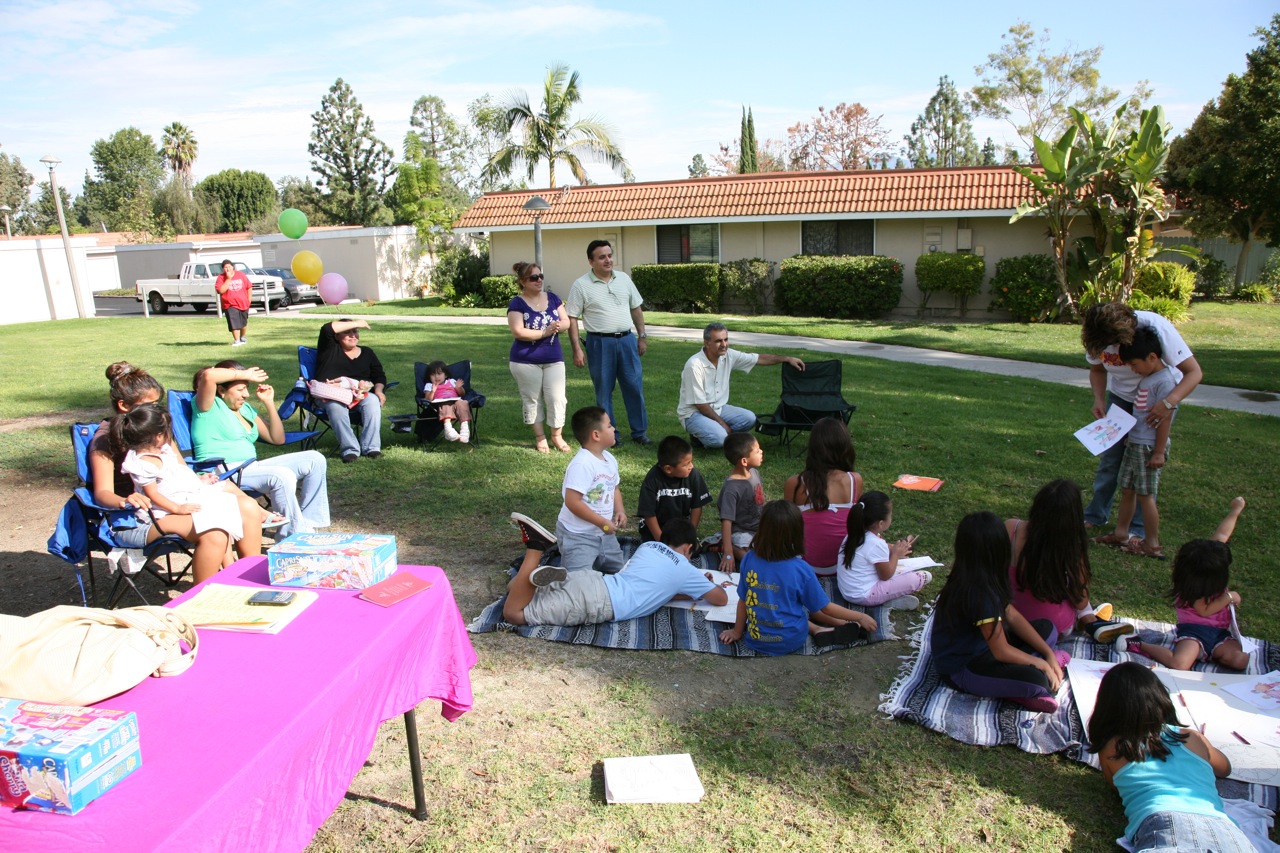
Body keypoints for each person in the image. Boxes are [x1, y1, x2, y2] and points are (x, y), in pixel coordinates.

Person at [89, 362, 264, 584]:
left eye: (157, 404)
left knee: (247, 506)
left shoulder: (156, 431)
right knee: (214, 532)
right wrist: (125, 500)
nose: (157, 410)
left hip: (176, 500)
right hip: (136, 517)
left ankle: (251, 578)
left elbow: (179, 469)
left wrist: (197, 479)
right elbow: (102, 493)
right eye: (150, 404)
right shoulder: (105, 440)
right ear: (124, 406)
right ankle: (204, 595)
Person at [1088, 662, 1252, 853]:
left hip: (1164, 821)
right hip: (1225, 828)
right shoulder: (1193, 737)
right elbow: (1225, 768)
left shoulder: (1111, 749)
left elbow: (1119, 789)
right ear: (1160, 698)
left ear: (1107, 709)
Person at [1081, 302, 1202, 540]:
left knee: (1145, 463)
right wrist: (1099, 398)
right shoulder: (1097, 337)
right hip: (1121, 398)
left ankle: (1138, 528)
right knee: (1110, 459)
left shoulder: (1155, 326)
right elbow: (1097, 370)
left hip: (1157, 399)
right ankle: (1096, 514)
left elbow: (1194, 372)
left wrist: (1168, 403)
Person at [930, 511, 1065, 714]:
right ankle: (1017, 689)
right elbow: (1001, 651)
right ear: (999, 550)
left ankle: (1022, 676)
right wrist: (1041, 664)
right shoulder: (978, 593)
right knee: (1038, 681)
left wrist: (1048, 654)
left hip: (988, 648)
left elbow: (1012, 615)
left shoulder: (985, 576)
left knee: (1048, 629)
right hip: (964, 668)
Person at [112, 405, 271, 572]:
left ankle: (248, 569)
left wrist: (199, 481)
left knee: (245, 505)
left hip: (186, 497)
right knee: (218, 519)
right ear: (158, 436)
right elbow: (153, 494)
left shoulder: (163, 450)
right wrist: (177, 509)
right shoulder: (143, 463)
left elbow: (177, 475)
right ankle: (229, 569)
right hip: (165, 510)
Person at [191, 361, 330, 539]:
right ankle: (292, 537)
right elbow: (208, 375)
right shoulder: (206, 407)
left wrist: (269, 403)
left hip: (250, 467)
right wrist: (245, 374)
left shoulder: (245, 409)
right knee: (281, 475)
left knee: (315, 459)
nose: (246, 394)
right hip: (223, 472)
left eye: (246, 388)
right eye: (240, 389)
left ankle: (308, 525)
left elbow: (277, 438)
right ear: (221, 390)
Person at [718, 501, 878, 654]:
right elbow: (826, 607)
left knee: (789, 605)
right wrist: (860, 616)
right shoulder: (802, 570)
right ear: (797, 532)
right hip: (791, 640)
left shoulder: (749, 559)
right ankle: (840, 625)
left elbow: (743, 600)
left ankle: (820, 629)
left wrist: (737, 631)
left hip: (756, 638)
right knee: (808, 607)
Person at [502, 519, 727, 627]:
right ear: (688, 549)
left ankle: (537, 576)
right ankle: (536, 547)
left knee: (514, 588)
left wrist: (690, 590)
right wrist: (704, 584)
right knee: (514, 614)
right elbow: (721, 599)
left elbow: (658, 589)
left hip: (592, 580)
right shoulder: (686, 569)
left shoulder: (648, 546)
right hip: (596, 602)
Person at [1118, 497, 1250, 671]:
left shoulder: (1207, 563)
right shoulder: (1194, 591)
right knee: (1180, 664)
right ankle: (1139, 644)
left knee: (1240, 660)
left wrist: (1235, 510)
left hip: (1220, 634)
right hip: (1194, 633)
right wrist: (1230, 596)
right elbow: (1205, 611)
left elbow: (1222, 535)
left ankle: (1216, 654)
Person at [1008, 479, 1133, 644]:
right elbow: (1078, 598)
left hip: (1009, 620)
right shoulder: (1072, 547)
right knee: (1075, 593)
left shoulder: (1011, 528)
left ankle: (1090, 617)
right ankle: (1090, 619)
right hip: (1052, 629)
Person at [1093, 328, 1179, 558]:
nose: (1133, 369)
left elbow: (1165, 421)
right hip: (1134, 443)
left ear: (1152, 357)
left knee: (1145, 495)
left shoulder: (1165, 382)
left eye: (1134, 364)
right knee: (1127, 489)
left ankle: (1152, 544)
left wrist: (1159, 452)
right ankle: (1121, 533)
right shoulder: (1147, 378)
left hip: (1148, 447)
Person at [566, 240, 651, 447]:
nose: (608, 260)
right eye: (602, 257)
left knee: (634, 387)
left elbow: (636, 308)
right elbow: (572, 318)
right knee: (604, 392)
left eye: (610, 255)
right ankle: (611, 435)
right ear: (591, 261)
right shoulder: (581, 285)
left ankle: (640, 432)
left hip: (627, 341)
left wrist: (642, 336)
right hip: (599, 343)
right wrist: (576, 349)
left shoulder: (624, 279)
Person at [677, 322, 806, 448]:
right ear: (707, 343)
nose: (724, 345)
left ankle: (718, 432)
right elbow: (700, 404)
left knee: (750, 418)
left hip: (718, 408)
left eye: (726, 339)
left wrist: (786, 358)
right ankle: (699, 436)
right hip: (693, 413)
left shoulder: (729, 355)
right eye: (718, 341)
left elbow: (758, 358)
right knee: (719, 439)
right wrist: (723, 424)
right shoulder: (694, 365)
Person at [783, 417, 862, 573]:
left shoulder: (795, 483)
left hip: (804, 566)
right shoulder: (854, 480)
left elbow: (786, 528)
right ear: (845, 447)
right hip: (845, 565)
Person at [507, 261, 570, 453]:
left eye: (540, 276)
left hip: (554, 359)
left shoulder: (553, 298)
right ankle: (540, 438)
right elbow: (518, 331)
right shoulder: (517, 303)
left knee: (557, 398)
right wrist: (544, 332)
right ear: (523, 281)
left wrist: (559, 326)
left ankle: (557, 436)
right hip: (525, 361)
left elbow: (566, 321)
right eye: (533, 277)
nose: (539, 280)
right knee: (532, 399)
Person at [555, 406, 626, 574]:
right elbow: (572, 502)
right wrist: (601, 522)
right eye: (609, 425)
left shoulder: (609, 459)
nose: (614, 429)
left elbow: (614, 488)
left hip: (605, 534)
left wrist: (620, 510)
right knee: (577, 579)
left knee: (620, 573)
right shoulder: (582, 464)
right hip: (578, 536)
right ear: (596, 435)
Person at [836, 491, 931, 611]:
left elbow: (872, 551)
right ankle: (889, 601)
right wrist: (895, 555)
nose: (891, 517)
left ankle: (889, 597)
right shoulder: (876, 544)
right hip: (863, 595)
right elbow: (885, 576)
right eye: (890, 515)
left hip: (847, 591)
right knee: (923, 576)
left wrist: (894, 549)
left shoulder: (854, 534)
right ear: (881, 523)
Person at [315, 319, 387, 463]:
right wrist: (357, 323)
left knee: (372, 400)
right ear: (337, 336)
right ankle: (350, 450)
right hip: (331, 395)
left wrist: (379, 391)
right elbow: (327, 329)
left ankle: (371, 448)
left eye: (355, 331)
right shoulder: (329, 349)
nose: (353, 335)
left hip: (359, 394)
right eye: (347, 332)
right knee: (335, 407)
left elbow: (379, 376)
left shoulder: (367, 353)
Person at [637, 436, 712, 543]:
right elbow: (648, 513)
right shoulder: (652, 479)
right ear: (668, 469)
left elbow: (697, 506)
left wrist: (691, 534)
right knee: (654, 550)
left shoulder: (693, 474)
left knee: (687, 549)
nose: (691, 466)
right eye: (686, 464)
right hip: (654, 529)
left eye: (691, 462)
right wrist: (661, 541)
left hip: (680, 527)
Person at [717, 431, 765, 570]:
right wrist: (728, 553)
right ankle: (731, 547)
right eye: (757, 451)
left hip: (759, 527)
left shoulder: (754, 473)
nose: (761, 452)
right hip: (741, 531)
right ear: (744, 461)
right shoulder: (731, 488)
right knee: (747, 554)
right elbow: (726, 521)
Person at [423, 360, 472, 444]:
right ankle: (448, 430)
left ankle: (464, 430)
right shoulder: (429, 385)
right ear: (429, 376)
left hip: (456, 401)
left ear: (445, 375)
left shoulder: (452, 381)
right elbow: (428, 399)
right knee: (446, 405)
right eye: (433, 374)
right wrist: (433, 391)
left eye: (439, 374)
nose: (436, 377)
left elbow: (462, 394)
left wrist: (458, 388)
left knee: (463, 402)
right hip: (440, 404)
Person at [215, 259, 251, 346]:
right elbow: (221, 290)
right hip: (230, 304)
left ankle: (242, 337)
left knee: (243, 322)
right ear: (223, 269)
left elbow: (249, 286)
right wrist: (228, 279)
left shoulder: (241, 275)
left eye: (229, 267)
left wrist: (249, 300)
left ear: (233, 267)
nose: (228, 269)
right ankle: (237, 340)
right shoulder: (221, 277)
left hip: (243, 303)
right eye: (225, 267)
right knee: (234, 322)